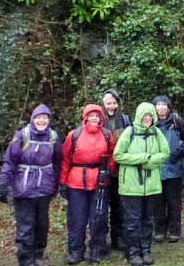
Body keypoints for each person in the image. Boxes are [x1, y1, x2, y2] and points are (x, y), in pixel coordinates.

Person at [0, 104, 63, 266]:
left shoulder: (53, 137)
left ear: (49, 120)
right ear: (33, 119)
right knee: (25, 226)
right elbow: (9, 161)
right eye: (38, 117)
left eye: (45, 118)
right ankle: (26, 260)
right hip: (24, 188)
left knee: (42, 225)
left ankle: (38, 256)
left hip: (44, 188)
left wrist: (56, 185)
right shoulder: (21, 136)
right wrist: (3, 186)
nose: (42, 121)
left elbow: (58, 163)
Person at [113, 102, 170, 266]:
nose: (147, 119)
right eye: (144, 116)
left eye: (150, 116)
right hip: (131, 187)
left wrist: (150, 162)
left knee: (147, 220)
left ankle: (145, 250)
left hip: (151, 186)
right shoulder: (129, 132)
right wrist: (142, 158)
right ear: (139, 116)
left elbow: (165, 153)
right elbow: (118, 155)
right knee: (132, 221)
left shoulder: (156, 132)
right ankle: (132, 253)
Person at [59, 104, 116, 265]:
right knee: (77, 218)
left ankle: (96, 249)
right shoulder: (74, 135)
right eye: (91, 115)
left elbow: (112, 154)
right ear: (85, 117)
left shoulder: (106, 134)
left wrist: (109, 169)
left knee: (99, 217)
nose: (93, 118)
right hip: (76, 181)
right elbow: (65, 159)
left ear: (101, 118)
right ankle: (76, 251)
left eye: (97, 116)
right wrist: (62, 182)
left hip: (100, 181)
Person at [151, 95, 184, 243]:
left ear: (169, 107)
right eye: (158, 105)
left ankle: (174, 231)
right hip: (156, 168)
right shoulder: (150, 123)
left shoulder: (177, 121)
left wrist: (177, 155)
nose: (161, 108)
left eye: (164, 105)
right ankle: (159, 230)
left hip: (174, 167)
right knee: (157, 202)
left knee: (174, 201)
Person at [101, 89, 131, 250]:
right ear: (103, 104)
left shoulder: (125, 120)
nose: (111, 106)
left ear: (118, 104)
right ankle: (100, 240)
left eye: (114, 103)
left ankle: (118, 238)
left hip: (120, 171)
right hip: (102, 171)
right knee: (100, 207)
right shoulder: (97, 120)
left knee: (119, 207)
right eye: (108, 103)